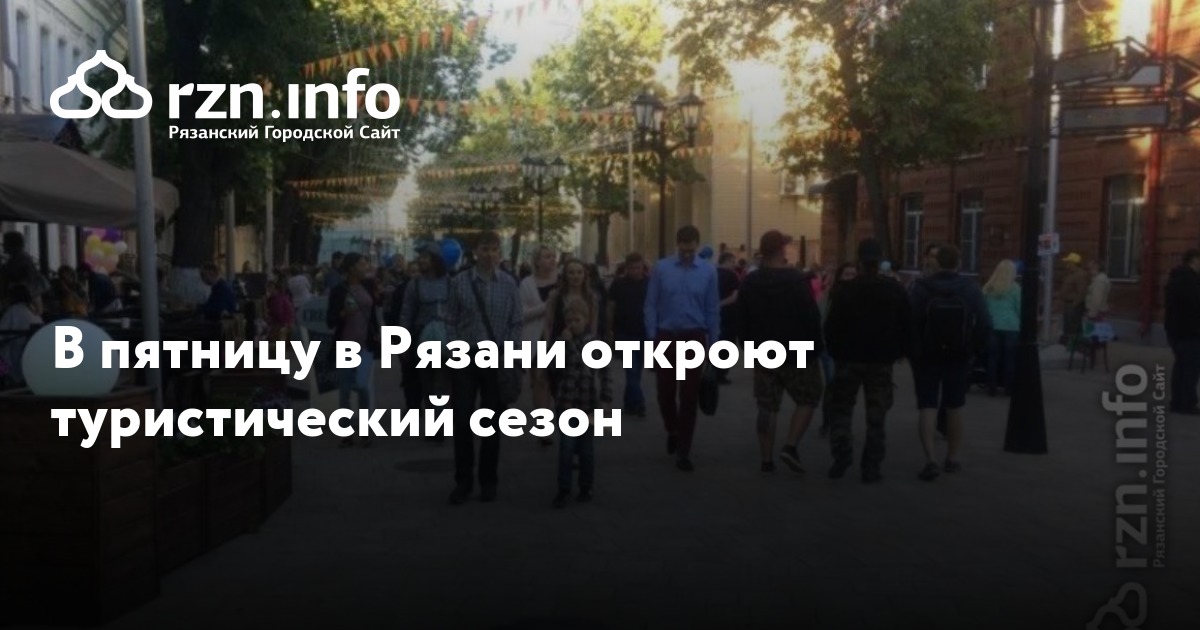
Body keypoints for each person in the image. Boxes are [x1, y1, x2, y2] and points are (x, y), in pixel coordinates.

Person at [825, 239, 912, 482]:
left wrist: (835, 351)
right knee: (877, 415)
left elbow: (832, 327)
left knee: (841, 408)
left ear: (859, 261)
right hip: (881, 360)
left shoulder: (845, 290)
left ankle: (842, 452)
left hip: (849, 358)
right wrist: (899, 351)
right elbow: (907, 323)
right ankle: (872, 466)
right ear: (880, 260)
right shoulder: (894, 289)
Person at [445, 231, 522, 505]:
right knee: (462, 420)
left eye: (494, 249)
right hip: (465, 358)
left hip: (496, 359)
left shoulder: (509, 284)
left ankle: (488, 481)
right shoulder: (459, 282)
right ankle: (463, 481)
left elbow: (516, 322)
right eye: (484, 249)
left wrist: (509, 351)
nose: (489, 254)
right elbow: (450, 320)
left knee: (491, 423)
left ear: (500, 253)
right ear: (475, 252)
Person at [738, 230, 824, 474]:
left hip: (764, 350)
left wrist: (747, 346)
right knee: (809, 397)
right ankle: (790, 445)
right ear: (782, 251)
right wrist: (816, 347)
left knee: (767, 405)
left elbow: (742, 318)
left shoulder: (750, 282)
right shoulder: (796, 280)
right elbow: (811, 316)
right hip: (798, 350)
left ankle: (766, 460)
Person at [910, 245, 992, 481]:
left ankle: (930, 460)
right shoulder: (970, 288)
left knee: (927, 406)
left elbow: (910, 321)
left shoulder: (921, 288)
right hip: (959, 355)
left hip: (926, 355)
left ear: (936, 262)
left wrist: (913, 350)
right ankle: (952, 458)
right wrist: (973, 349)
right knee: (955, 406)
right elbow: (985, 323)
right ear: (958, 263)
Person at [645, 225, 720, 472]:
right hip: (666, 336)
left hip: (694, 336)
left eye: (691, 250)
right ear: (677, 245)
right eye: (683, 249)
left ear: (697, 245)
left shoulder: (708, 271)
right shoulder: (662, 268)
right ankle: (672, 429)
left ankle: (684, 451)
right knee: (664, 393)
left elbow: (712, 309)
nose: (687, 254)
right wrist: (652, 337)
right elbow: (651, 304)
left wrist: (714, 344)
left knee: (689, 396)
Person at [550, 298, 612, 508]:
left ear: (586, 320)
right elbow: (554, 368)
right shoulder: (561, 342)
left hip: (589, 403)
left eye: (577, 320)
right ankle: (564, 488)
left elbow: (605, 372)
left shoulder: (595, 344)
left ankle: (586, 486)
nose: (572, 324)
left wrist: (606, 398)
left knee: (587, 448)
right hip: (567, 402)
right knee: (566, 447)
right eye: (569, 320)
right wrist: (562, 344)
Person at [326, 253, 379, 447]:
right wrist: (343, 313)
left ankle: (364, 429)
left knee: (363, 386)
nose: (366, 267)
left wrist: (377, 332)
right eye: (362, 263)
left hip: (365, 344)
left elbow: (373, 313)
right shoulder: (339, 290)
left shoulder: (368, 286)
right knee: (345, 389)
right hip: (346, 345)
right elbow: (330, 321)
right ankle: (346, 432)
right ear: (352, 268)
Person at [400, 245, 452, 440]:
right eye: (420, 257)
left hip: (446, 338)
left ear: (435, 260)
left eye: (425, 257)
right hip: (422, 338)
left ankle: (440, 424)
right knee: (427, 384)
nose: (421, 261)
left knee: (442, 383)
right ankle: (434, 422)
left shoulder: (450, 283)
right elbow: (406, 313)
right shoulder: (414, 285)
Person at [519, 246, 559, 434]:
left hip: (559, 337)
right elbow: (521, 314)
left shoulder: (561, 281)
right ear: (537, 261)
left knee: (557, 381)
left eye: (553, 256)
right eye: (547, 256)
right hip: (536, 339)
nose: (551, 259)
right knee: (540, 381)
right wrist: (546, 306)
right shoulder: (526, 284)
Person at [607, 252, 650, 417]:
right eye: (632, 268)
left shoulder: (649, 283)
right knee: (631, 369)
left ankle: (629, 402)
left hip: (643, 332)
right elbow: (611, 307)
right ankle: (639, 402)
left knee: (636, 371)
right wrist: (609, 330)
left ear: (643, 267)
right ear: (626, 268)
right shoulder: (618, 284)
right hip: (623, 332)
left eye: (638, 267)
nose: (635, 271)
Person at [818, 262, 857, 437]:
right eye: (847, 274)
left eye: (853, 275)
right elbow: (821, 318)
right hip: (830, 347)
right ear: (840, 277)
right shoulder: (830, 295)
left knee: (847, 388)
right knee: (833, 384)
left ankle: (842, 424)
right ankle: (829, 421)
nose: (850, 278)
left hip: (851, 349)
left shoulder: (860, 295)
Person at [1164, 249, 1200, 415]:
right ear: (1194, 260)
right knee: (1190, 369)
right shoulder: (1190, 281)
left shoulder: (1175, 278)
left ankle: (1177, 402)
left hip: (1174, 331)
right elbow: (1194, 306)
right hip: (1190, 331)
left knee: (1180, 366)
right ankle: (1187, 403)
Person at [982, 260, 1020, 397]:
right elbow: (1019, 308)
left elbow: (983, 307)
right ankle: (1009, 387)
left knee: (992, 357)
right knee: (1010, 358)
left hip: (992, 325)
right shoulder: (1015, 288)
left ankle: (991, 386)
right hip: (1011, 327)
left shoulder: (988, 288)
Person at [0, 284, 43, 387]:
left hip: (16, 356)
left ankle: (5, 381)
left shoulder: (13, 311)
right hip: (31, 355)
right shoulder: (32, 310)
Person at [0, 232, 49, 309]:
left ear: (12, 244)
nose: (3, 245)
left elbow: (23, 281)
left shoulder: (19, 260)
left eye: (5, 243)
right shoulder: (18, 258)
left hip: (25, 300)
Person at [715, 252, 740, 385]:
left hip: (714, 314)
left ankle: (712, 370)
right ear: (726, 260)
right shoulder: (732, 275)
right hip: (729, 314)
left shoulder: (712, 273)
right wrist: (721, 304)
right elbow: (735, 296)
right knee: (728, 344)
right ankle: (721, 373)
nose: (734, 264)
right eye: (732, 261)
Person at [1059, 253, 1088, 343]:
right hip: (1068, 303)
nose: (1067, 265)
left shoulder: (1080, 275)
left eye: (1068, 263)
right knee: (1068, 325)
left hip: (1073, 304)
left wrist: (1075, 304)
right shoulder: (1071, 274)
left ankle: (1075, 344)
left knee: (1073, 326)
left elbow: (1082, 292)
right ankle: (1069, 342)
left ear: (1073, 263)